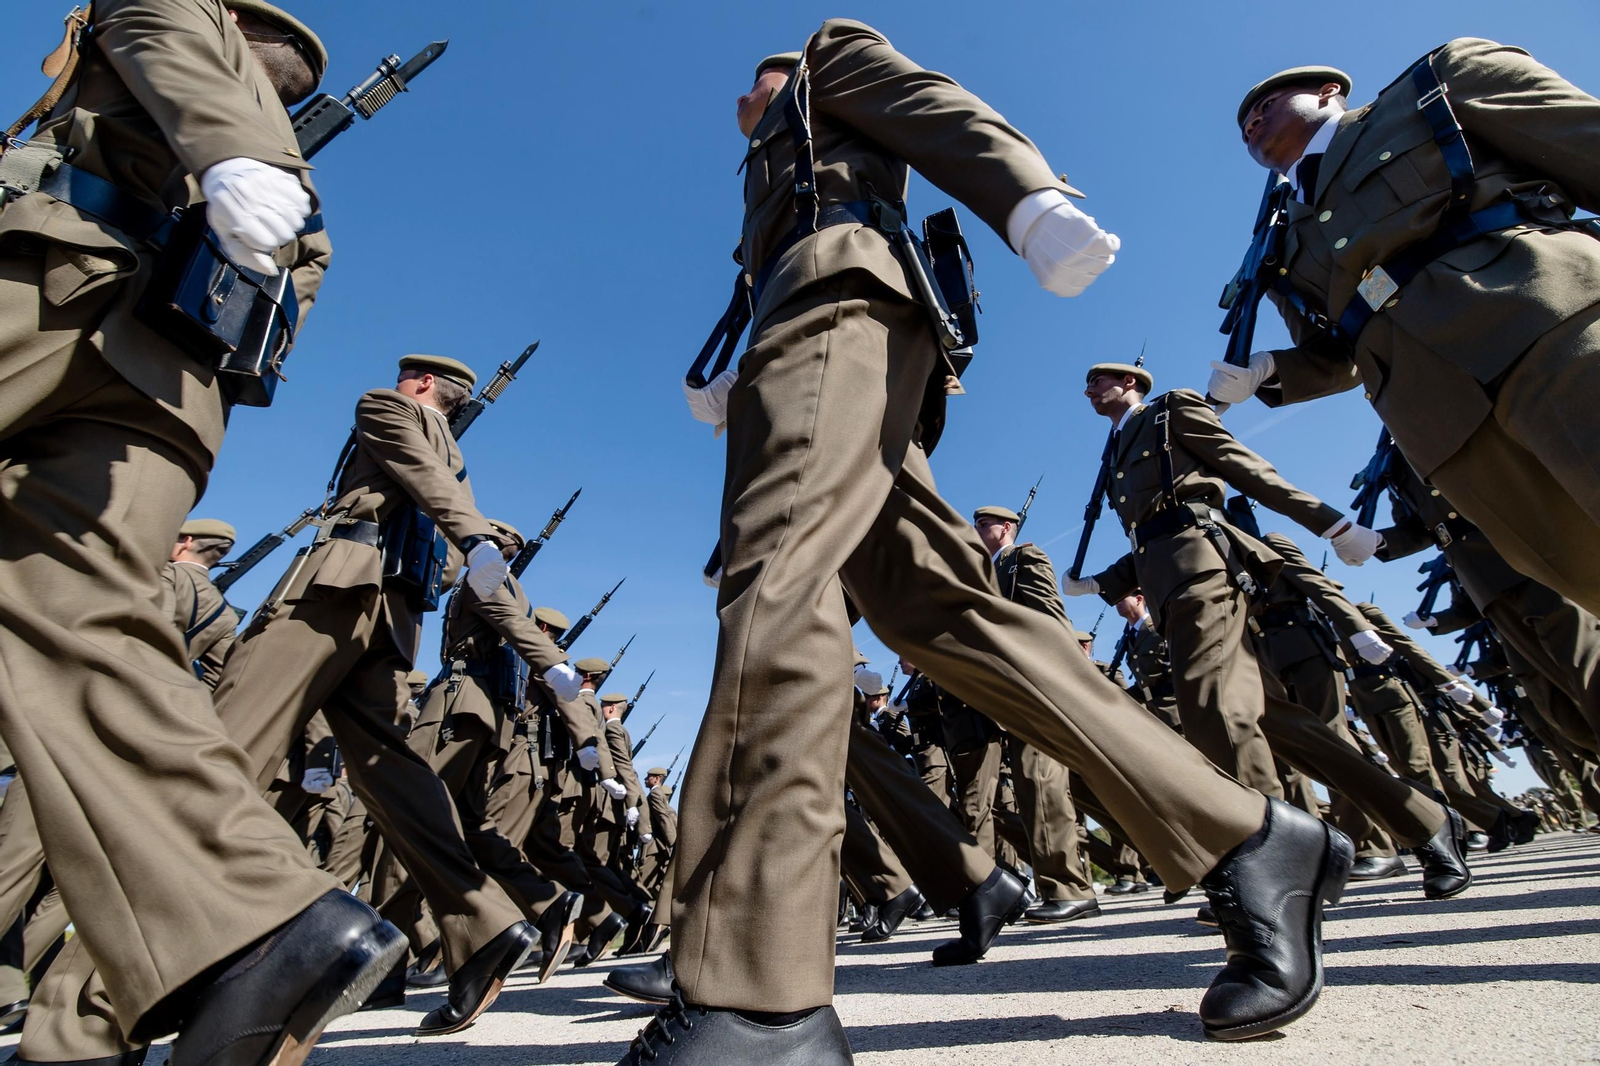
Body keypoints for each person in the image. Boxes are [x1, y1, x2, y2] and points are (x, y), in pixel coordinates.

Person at [641, 23, 1352, 1063]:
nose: (740, 105)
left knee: (779, 582)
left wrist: (1027, 202)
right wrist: (731, 353)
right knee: (943, 614)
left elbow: (930, 107)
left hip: (840, 310)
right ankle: (1251, 838)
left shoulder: (824, 62)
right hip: (810, 326)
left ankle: (754, 999)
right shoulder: (770, 168)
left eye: (753, 88)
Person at [0, 3, 407, 1062]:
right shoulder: (302, 215)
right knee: (77, 626)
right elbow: (266, 336)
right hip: (167, 387)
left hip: (44, 280)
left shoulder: (197, 68)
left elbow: (155, 17)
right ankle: (263, 921)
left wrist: (236, 148)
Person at [209, 355, 545, 1039]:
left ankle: (107, 1007)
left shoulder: (386, 409)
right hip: (392, 624)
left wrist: (475, 535)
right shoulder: (458, 467)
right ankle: (483, 924)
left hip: (330, 594)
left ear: (421, 386)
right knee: (391, 774)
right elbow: (446, 565)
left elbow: (428, 495)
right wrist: (472, 535)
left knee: (218, 750)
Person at [1216, 44, 1600, 618]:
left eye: (1267, 103)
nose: (1252, 121)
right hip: (1447, 436)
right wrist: (1270, 372)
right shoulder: (1277, 248)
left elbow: (1583, 140)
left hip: (1546, 324)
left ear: (1328, 92)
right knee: (1585, 576)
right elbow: (1339, 354)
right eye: (1245, 124)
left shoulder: (1428, 90)